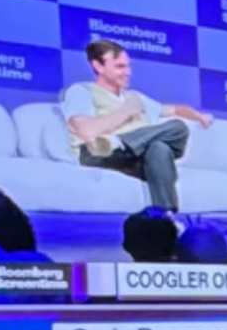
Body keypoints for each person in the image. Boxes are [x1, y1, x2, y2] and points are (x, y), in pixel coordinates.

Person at [59, 40, 206, 215]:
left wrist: (199, 116)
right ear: (98, 66)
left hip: (133, 156)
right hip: (98, 154)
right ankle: (167, 219)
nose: (128, 72)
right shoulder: (82, 91)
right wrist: (126, 111)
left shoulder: (134, 97)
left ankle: (164, 220)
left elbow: (175, 110)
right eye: (120, 67)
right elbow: (87, 131)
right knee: (160, 146)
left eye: (128, 66)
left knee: (170, 137)